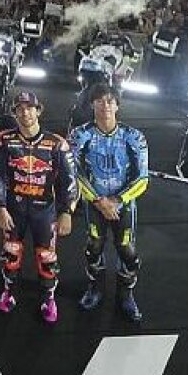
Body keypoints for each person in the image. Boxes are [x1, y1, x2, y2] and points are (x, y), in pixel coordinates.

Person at [0, 90, 78, 323]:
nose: (25, 113)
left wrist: (66, 211)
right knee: (11, 253)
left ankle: (49, 298)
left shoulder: (57, 143)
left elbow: (70, 180)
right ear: (14, 113)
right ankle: (8, 291)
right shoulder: (3, 140)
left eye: (29, 108)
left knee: (47, 258)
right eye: (19, 109)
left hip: (45, 210)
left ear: (38, 111)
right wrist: (0, 206)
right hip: (14, 209)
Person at [68, 83, 148, 321]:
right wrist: (98, 201)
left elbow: (143, 178)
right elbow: (74, 173)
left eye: (110, 101)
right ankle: (95, 288)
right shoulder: (79, 135)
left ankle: (126, 295)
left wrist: (118, 200)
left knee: (127, 250)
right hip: (94, 202)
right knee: (94, 246)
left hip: (124, 203)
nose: (105, 106)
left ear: (118, 106)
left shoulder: (134, 137)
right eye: (100, 101)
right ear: (92, 104)